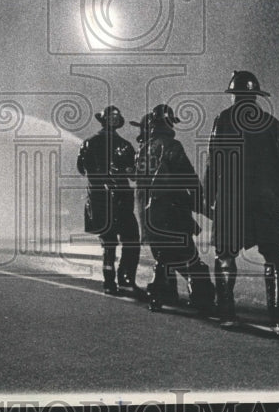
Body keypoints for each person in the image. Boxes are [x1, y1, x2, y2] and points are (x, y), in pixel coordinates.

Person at [203, 70, 279, 337]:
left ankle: (227, 314)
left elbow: (213, 163)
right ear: (256, 95)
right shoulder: (272, 123)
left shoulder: (222, 121)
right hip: (265, 201)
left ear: (233, 95)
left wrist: (210, 199)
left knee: (225, 256)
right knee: (273, 256)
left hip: (230, 200)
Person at [137, 104, 215, 313]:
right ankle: (203, 300)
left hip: (151, 214)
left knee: (164, 257)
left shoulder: (143, 151)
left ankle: (157, 296)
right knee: (191, 257)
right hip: (173, 213)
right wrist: (203, 203)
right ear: (169, 123)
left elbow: (141, 187)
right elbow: (188, 177)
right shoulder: (172, 146)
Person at [77, 105, 141, 294]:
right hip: (120, 200)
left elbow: (82, 169)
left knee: (109, 242)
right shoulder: (125, 145)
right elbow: (134, 175)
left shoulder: (89, 143)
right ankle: (125, 278)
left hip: (100, 201)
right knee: (131, 240)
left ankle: (110, 282)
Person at [132, 113, 179, 304]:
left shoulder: (143, 150)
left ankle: (167, 290)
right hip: (165, 204)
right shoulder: (169, 146)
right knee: (169, 249)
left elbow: (137, 178)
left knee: (159, 248)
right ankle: (163, 290)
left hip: (146, 204)